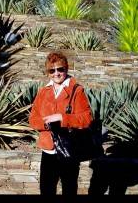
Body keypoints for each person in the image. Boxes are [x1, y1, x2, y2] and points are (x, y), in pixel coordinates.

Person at [29, 51, 93, 195]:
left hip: (68, 149)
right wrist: (47, 123)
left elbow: (87, 118)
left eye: (60, 69)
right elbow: (33, 119)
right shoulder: (43, 92)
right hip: (48, 150)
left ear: (66, 68)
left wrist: (63, 118)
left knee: (69, 189)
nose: (56, 73)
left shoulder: (77, 90)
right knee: (46, 190)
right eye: (52, 70)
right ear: (48, 72)